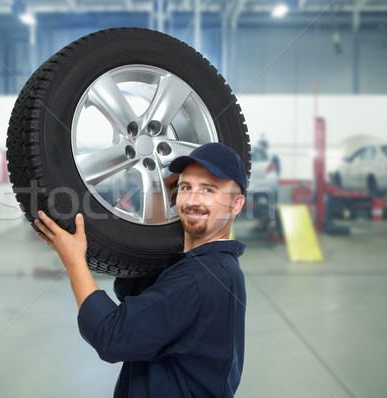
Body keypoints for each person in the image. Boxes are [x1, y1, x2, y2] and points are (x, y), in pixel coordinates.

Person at [35, 142, 248, 397]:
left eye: (208, 190)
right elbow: (137, 296)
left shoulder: (201, 278)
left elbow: (112, 336)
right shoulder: (203, 266)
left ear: (236, 204)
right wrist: (154, 205)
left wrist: (74, 262)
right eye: (186, 187)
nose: (193, 200)